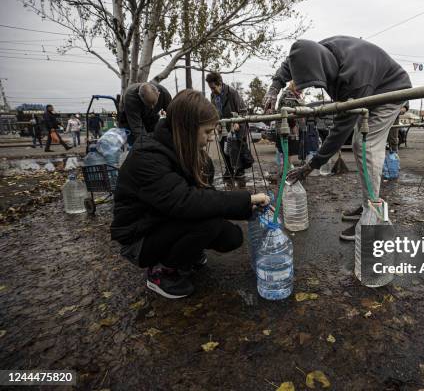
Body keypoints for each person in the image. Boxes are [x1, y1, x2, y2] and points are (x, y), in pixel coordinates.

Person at [111, 90, 270, 299]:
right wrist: (246, 198)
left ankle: (184, 255)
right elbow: (184, 201)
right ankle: (161, 272)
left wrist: (246, 209)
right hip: (140, 237)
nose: (211, 137)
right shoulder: (147, 157)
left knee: (231, 236)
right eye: (206, 132)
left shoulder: (192, 155)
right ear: (186, 129)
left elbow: (204, 196)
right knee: (208, 223)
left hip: (165, 221)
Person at [263, 36, 412, 240]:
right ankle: (367, 205)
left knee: (364, 146)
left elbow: (341, 130)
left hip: (390, 90)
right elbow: (289, 63)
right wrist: (274, 88)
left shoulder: (354, 76)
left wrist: (311, 165)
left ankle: (373, 217)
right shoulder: (313, 51)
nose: (316, 89)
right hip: (371, 83)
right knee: (361, 144)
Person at [205, 72, 249, 178]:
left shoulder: (232, 93)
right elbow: (214, 111)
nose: (212, 90)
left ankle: (239, 170)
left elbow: (243, 111)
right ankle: (228, 169)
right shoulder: (213, 95)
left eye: (213, 87)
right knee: (223, 149)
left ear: (220, 83)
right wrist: (217, 123)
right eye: (210, 88)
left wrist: (238, 122)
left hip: (236, 126)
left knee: (236, 148)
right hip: (222, 126)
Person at [276, 81, 302, 166]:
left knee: (287, 148)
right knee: (287, 147)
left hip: (287, 125)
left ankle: (287, 166)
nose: (301, 91)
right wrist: (293, 125)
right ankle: (286, 168)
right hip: (286, 125)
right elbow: (288, 111)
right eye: (300, 88)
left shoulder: (293, 94)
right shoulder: (288, 95)